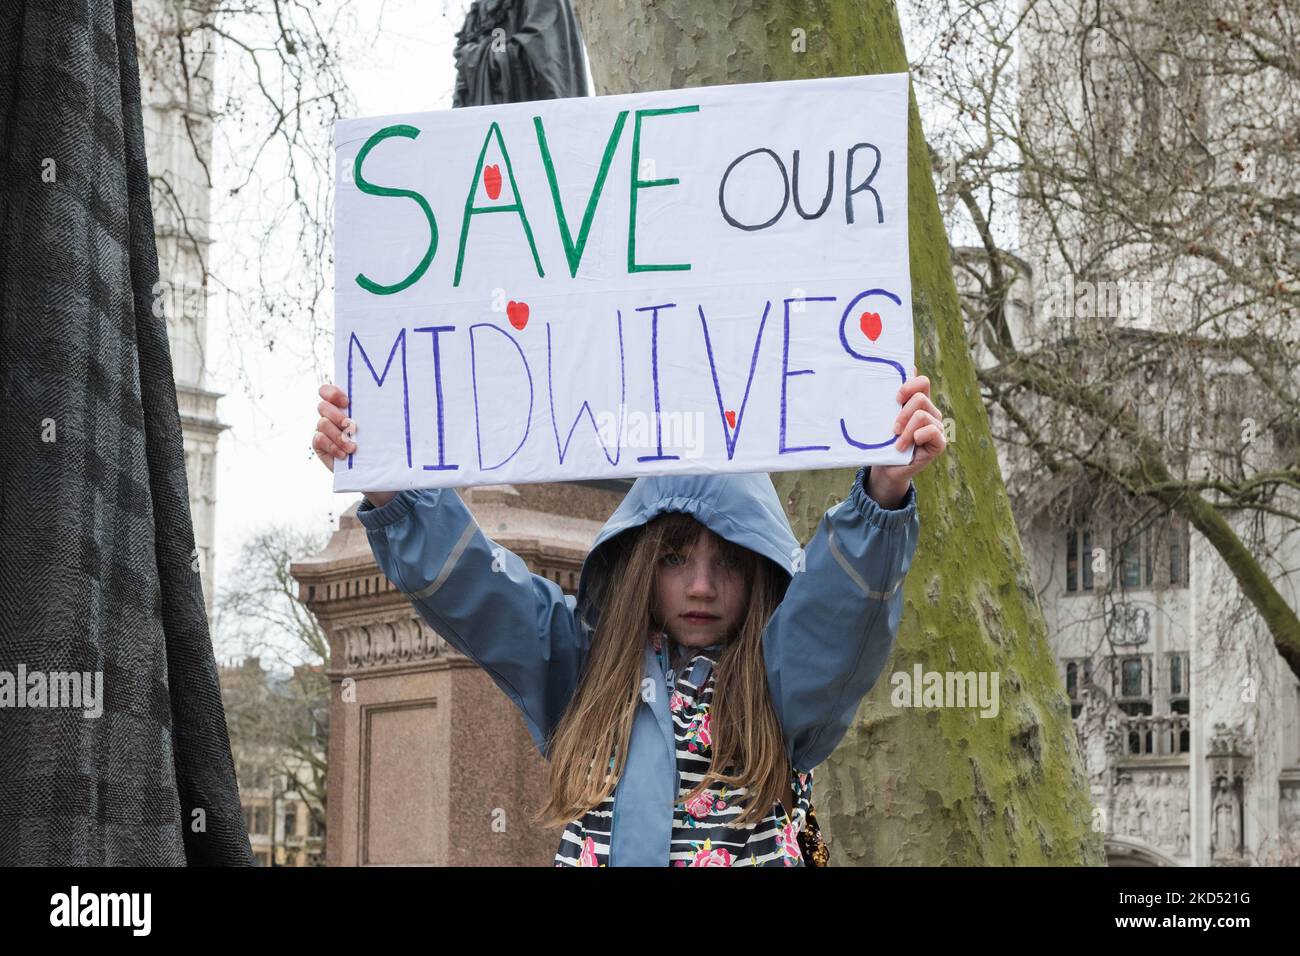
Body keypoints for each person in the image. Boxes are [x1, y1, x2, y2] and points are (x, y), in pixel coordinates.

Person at [312, 373, 945, 866]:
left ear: (760, 573)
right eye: (674, 559)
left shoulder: (777, 684)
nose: (700, 585)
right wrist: (393, 493)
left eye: (728, 561)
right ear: (640, 564)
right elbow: (482, 590)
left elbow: (836, 619)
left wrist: (882, 496)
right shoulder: (587, 669)